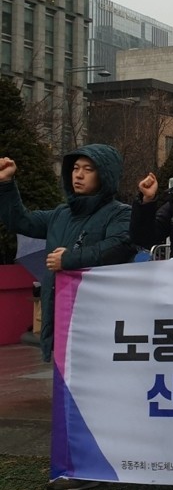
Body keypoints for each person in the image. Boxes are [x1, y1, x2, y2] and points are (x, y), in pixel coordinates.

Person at [0, 144, 135, 363]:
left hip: (99, 319)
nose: (79, 175)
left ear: (105, 175)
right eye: (75, 168)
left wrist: (69, 259)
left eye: (88, 169)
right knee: (64, 376)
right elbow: (21, 221)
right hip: (61, 315)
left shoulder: (120, 213)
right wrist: (6, 184)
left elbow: (119, 246)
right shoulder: (60, 214)